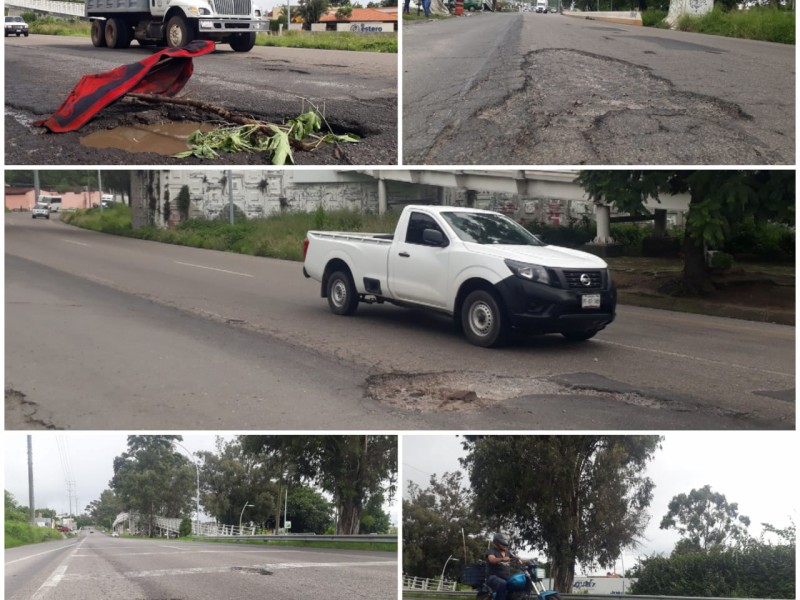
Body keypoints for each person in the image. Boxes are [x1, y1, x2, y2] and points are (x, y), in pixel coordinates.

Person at [486, 533, 526, 600]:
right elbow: (491, 559)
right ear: (497, 543)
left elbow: (518, 559)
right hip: (492, 577)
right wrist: (502, 559)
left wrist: (528, 561)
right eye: (502, 544)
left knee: (516, 584)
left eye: (505, 544)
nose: (505, 546)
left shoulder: (508, 552)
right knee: (503, 583)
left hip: (506, 578)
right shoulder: (492, 551)